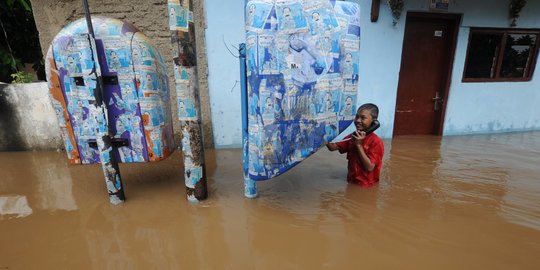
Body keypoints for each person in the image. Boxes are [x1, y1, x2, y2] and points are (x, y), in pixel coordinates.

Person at [326, 103, 384, 187]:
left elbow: (369, 167)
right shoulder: (352, 137)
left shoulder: (376, 142)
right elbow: (333, 147)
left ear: (374, 122)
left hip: (366, 186)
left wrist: (359, 145)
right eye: (357, 117)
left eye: (363, 118)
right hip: (351, 182)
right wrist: (323, 137)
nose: (358, 120)